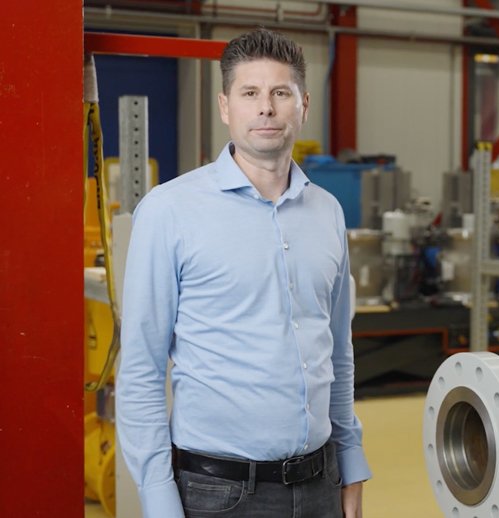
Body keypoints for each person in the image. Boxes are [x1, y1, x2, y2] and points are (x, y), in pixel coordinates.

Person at [116, 28, 371, 518]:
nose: (266, 108)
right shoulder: (170, 211)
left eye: (281, 92)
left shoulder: (328, 212)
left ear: (304, 104)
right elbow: (142, 371)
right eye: (249, 93)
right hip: (218, 495)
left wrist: (351, 463)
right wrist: (158, 499)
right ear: (224, 106)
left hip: (322, 484)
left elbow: (337, 354)